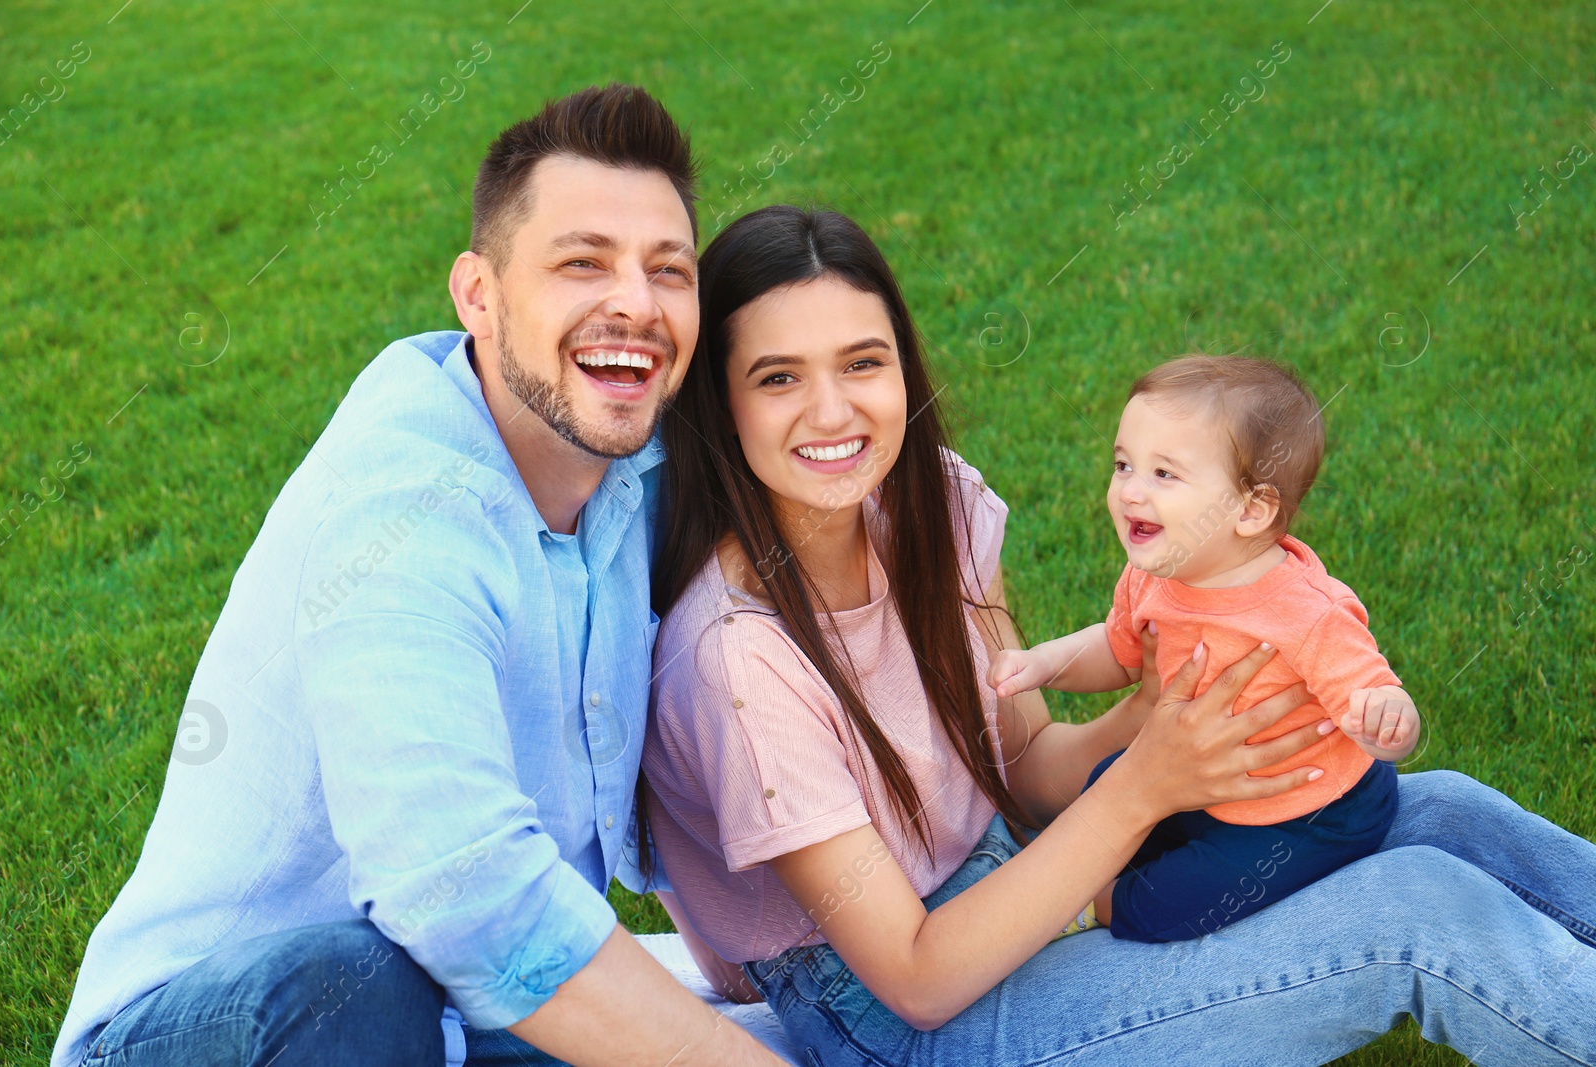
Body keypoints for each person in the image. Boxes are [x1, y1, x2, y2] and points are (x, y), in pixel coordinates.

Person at [636, 203, 1596, 1065]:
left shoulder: (932, 504)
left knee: (1445, 813)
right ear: (720, 405)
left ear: (902, 363)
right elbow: (916, 980)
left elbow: (1017, 766)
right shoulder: (740, 660)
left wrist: (1155, 719)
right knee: (1421, 915)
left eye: (862, 361)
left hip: (1005, 880)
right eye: (777, 377)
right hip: (902, 1023)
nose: (834, 410)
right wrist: (1144, 787)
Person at [53, 85, 785, 1067]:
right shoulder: (404, 509)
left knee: (823, 1037)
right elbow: (464, 892)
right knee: (355, 984)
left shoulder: (634, 474)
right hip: (240, 1030)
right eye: (583, 263)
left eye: (668, 270)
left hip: (461, 1021)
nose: (637, 304)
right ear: (477, 294)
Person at [989, 354, 1420, 943]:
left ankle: (1106, 902)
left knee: (1175, 903)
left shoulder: (1307, 610)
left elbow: (1376, 691)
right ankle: (1086, 865)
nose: (1131, 491)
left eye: (1164, 474)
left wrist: (1392, 722)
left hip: (1303, 811)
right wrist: (1043, 663)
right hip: (1201, 776)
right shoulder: (1156, 575)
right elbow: (1118, 651)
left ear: (1250, 509)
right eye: (1123, 465)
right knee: (1107, 783)